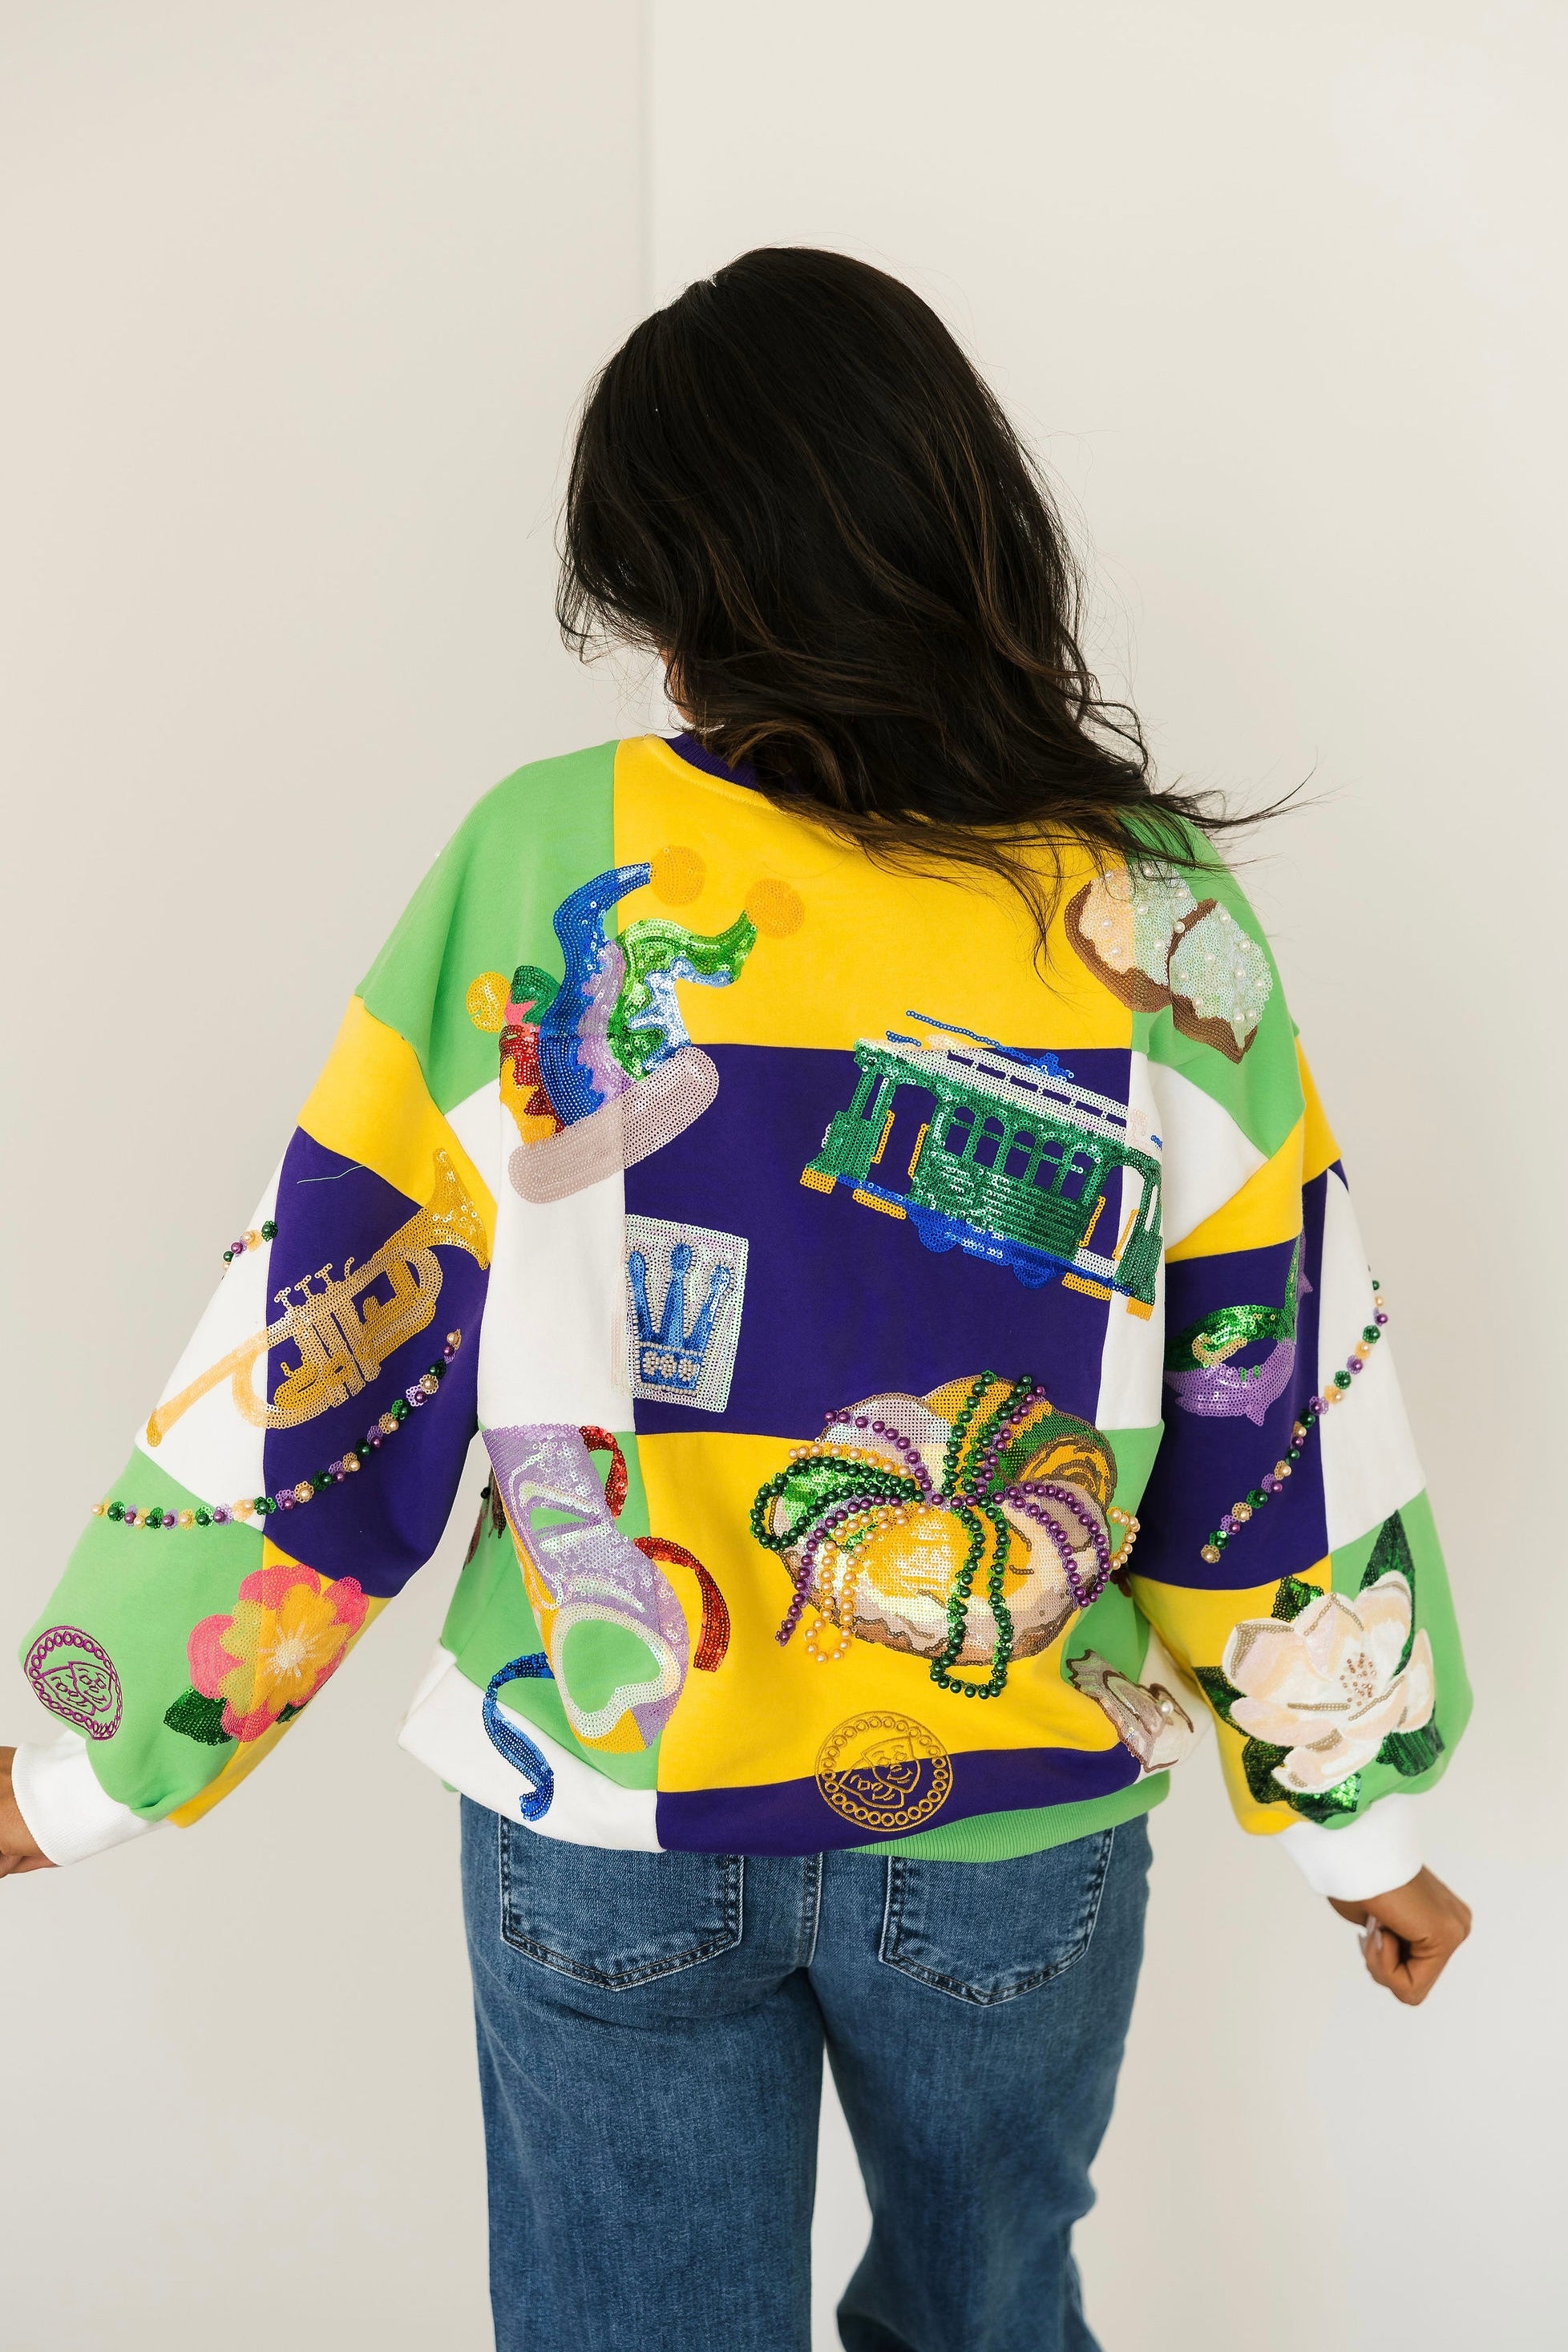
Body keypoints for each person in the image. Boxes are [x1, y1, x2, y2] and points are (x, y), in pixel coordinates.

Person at [2, 248, 1471, 2352]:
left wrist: (85, 1768)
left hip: (612, 1800)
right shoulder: (1151, 905)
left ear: (678, 577)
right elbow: (1275, 1401)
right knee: (990, 2323)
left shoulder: (546, 854)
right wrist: (1364, 1833)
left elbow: (336, 1327)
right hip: (1012, 1826)